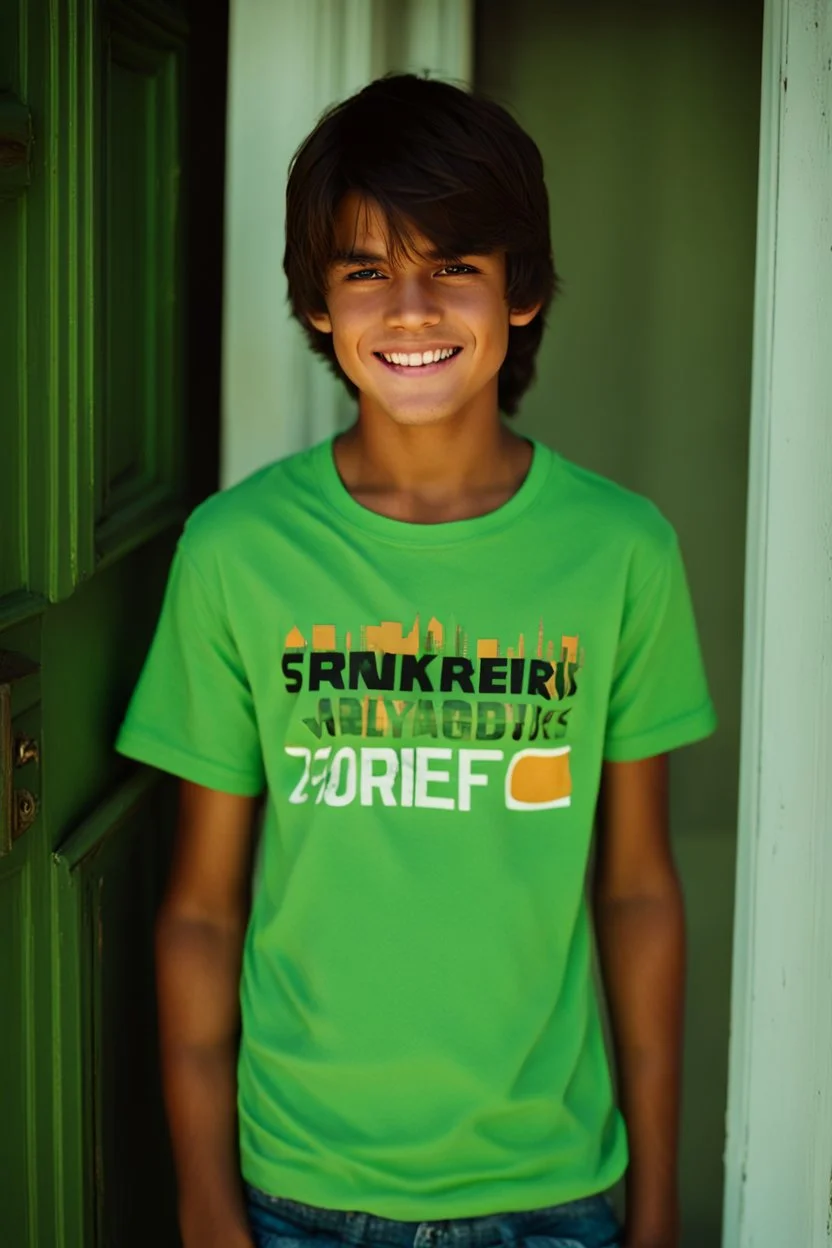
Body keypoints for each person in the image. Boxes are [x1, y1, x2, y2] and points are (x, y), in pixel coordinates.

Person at [115, 73, 717, 1248]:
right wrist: (201, 1201)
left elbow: (638, 888)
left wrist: (652, 1205)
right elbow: (199, 909)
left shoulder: (619, 552)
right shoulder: (237, 554)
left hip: (552, 1194)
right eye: (363, 270)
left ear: (524, 290)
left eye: (453, 264)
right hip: (297, 1194)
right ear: (315, 308)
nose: (409, 308)